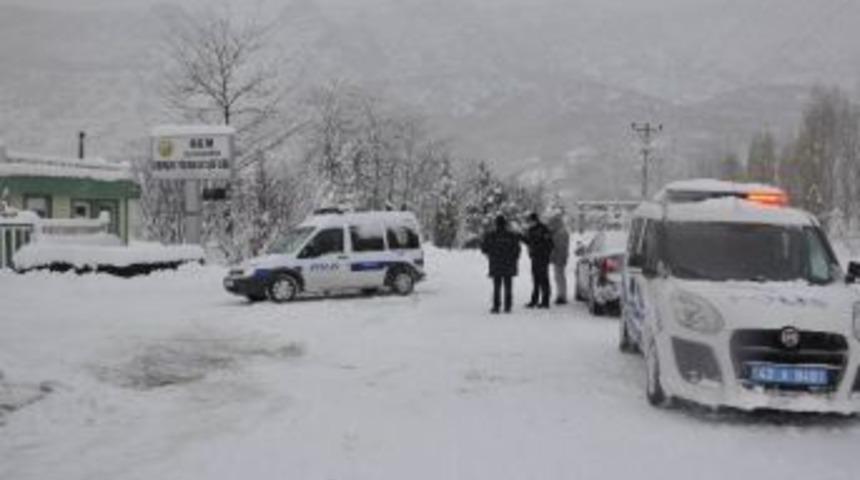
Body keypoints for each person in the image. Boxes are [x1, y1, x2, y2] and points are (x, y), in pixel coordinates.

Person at [481, 215, 522, 314]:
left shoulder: (491, 235)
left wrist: (491, 254)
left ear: (496, 224)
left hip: (496, 264)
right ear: (505, 224)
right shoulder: (511, 235)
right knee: (508, 286)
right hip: (509, 265)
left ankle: (496, 306)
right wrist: (514, 258)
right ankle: (508, 306)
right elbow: (517, 249)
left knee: (496, 286)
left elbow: (484, 248)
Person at [522, 212, 553, 309]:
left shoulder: (544, 229)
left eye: (531, 221)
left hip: (543, 258)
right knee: (535, 280)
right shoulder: (531, 230)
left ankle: (545, 301)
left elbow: (550, 244)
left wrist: (542, 250)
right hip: (534, 257)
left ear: (535, 220)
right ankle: (534, 300)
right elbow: (529, 242)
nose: (529, 223)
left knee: (544, 280)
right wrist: (522, 238)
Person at [547, 213, 570, 305]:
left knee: (559, 277)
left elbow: (558, 247)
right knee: (559, 277)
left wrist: (553, 256)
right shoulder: (561, 232)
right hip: (560, 257)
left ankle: (562, 296)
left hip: (559, 257)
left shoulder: (560, 233)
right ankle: (561, 294)